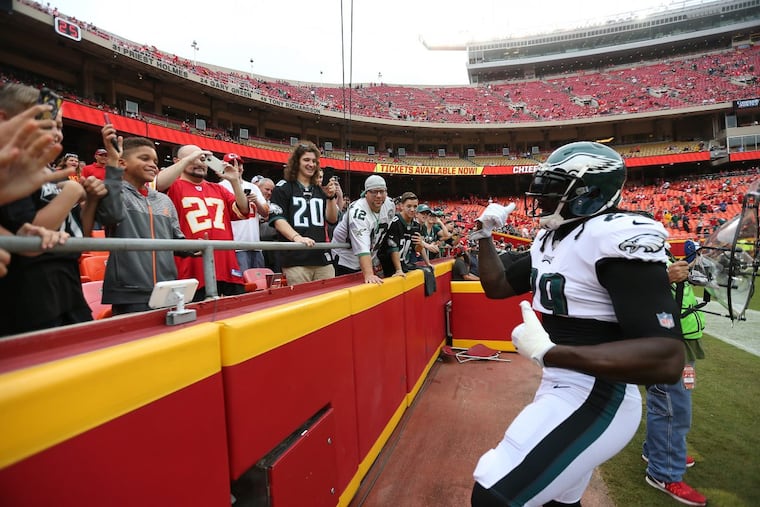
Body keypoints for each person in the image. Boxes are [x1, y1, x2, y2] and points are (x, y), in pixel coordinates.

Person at [470, 141, 685, 507]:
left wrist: (551, 353)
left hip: (601, 397)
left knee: (493, 495)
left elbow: (667, 359)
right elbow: (497, 286)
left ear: (588, 192)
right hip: (562, 388)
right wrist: (483, 234)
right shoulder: (551, 238)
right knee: (558, 501)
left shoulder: (614, 235)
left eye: (554, 186)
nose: (541, 195)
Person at [0, 83, 104, 335]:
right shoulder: (12, 173)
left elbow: (80, 238)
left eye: (59, 126)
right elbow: (30, 244)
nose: (56, 133)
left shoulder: (50, 176)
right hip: (28, 302)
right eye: (46, 124)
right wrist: (70, 194)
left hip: (68, 293)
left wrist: (88, 202)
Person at [93, 125, 187, 315]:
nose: (154, 164)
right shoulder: (114, 191)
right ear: (122, 163)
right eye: (144, 158)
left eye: (155, 161)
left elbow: (177, 241)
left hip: (167, 290)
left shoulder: (163, 199)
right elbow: (111, 215)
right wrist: (112, 165)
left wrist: (196, 246)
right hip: (130, 293)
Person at [642, 251, 707, 506]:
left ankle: (657, 452)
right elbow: (630, 294)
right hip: (666, 340)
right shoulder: (637, 254)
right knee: (672, 407)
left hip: (681, 339)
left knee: (672, 403)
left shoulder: (660, 251)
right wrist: (666, 278)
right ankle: (663, 472)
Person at [162, 144, 250, 300]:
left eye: (203, 159)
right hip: (192, 267)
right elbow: (158, 183)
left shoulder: (219, 189)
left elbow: (243, 210)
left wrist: (235, 181)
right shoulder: (172, 188)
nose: (200, 163)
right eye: (193, 158)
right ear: (177, 161)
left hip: (227, 264)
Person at [268, 141, 339, 285]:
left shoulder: (320, 190)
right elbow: (278, 219)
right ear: (296, 163)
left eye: (314, 161)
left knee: (328, 303)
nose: (311, 164)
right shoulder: (283, 188)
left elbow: (332, 219)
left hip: (322, 258)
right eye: (306, 160)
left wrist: (331, 197)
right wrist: (297, 237)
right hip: (296, 260)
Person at [331, 174, 396, 284]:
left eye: (382, 191)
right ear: (366, 193)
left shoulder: (389, 204)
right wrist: (369, 274)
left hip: (368, 257)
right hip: (345, 259)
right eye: (374, 192)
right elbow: (362, 248)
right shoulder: (358, 212)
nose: (379, 195)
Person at [219, 153, 269, 271]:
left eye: (239, 163)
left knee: (259, 284)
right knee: (240, 286)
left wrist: (255, 200)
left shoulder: (253, 187)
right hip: (235, 245)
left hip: (255, 245)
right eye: (232, 164)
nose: (236, 167)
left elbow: (266, 213)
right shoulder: (220, 187)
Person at [378, 191, 431, 277]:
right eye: (409, 206)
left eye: (415, 206)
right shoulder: (394, 223)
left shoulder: (416, 225)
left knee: (428, 273)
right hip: (388, 267)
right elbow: (393, 248)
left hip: (404, 264)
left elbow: (417, 249)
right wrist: (398, 270)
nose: (412, 209)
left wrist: (420, 244)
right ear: (402, 206)